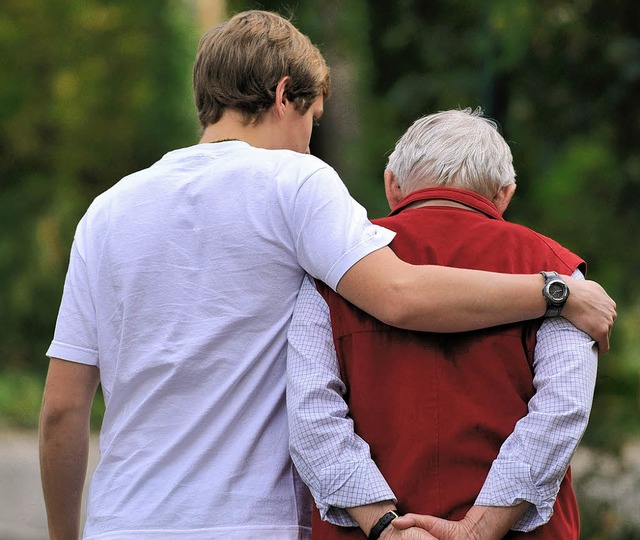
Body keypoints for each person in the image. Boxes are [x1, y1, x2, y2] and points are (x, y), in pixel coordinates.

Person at [38, 10, 613, 540]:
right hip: (252, 523)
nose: (310, 142)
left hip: (122, 520)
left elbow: (63, 409)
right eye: (313, 121)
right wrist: (556, 292)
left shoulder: (107, 212)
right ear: (286, 95)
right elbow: (401, 293)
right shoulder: (295, 182)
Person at [287, 109, 599, 539]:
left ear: (392, 184)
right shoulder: (558, 275)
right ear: (505, 193)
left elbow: (310, 415)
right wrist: (478, 528)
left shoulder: (335, 269)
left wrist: (385, 526)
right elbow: (563, 410)